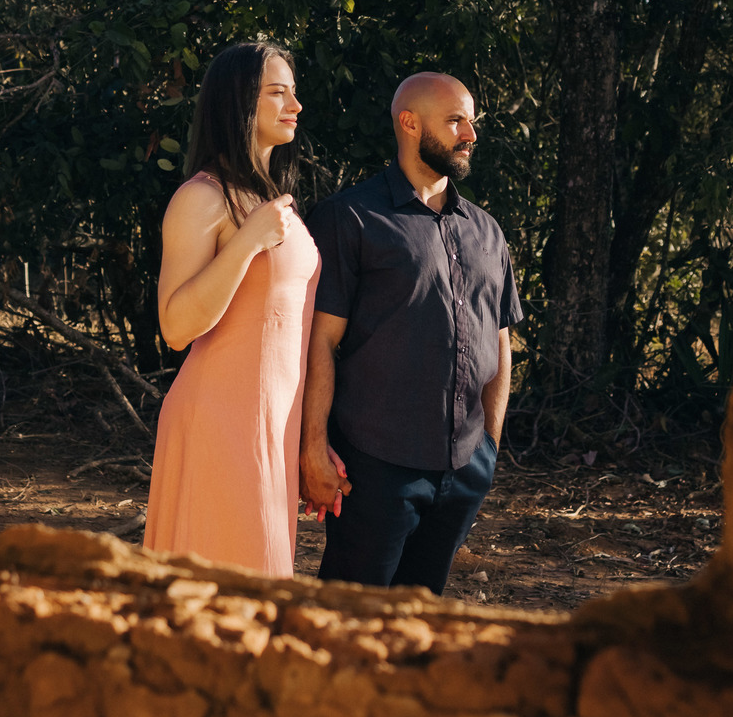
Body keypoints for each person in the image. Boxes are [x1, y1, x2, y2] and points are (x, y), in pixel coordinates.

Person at [300, 71, 521, 594]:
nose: (470, 134)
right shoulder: (349, 217)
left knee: (418, 617)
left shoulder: (487, 231)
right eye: (456, 121)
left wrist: (488, 447)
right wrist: (313, 449)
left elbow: (500, 339)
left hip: (465, 467)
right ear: (410, 123)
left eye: (472, 121)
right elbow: (320, 342)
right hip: (373, 469)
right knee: (345, 617)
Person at [143, 39, 323, 577]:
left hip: (273, 425)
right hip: (220, 424)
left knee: (256, 592)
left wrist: (311, 440)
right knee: (229, 592)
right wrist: (246, 243)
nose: (295, 106)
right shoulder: (202, 197)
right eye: (277, 93)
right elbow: (176, 326)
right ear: (239, 101)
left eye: (294, 92)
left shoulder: (270, 199)